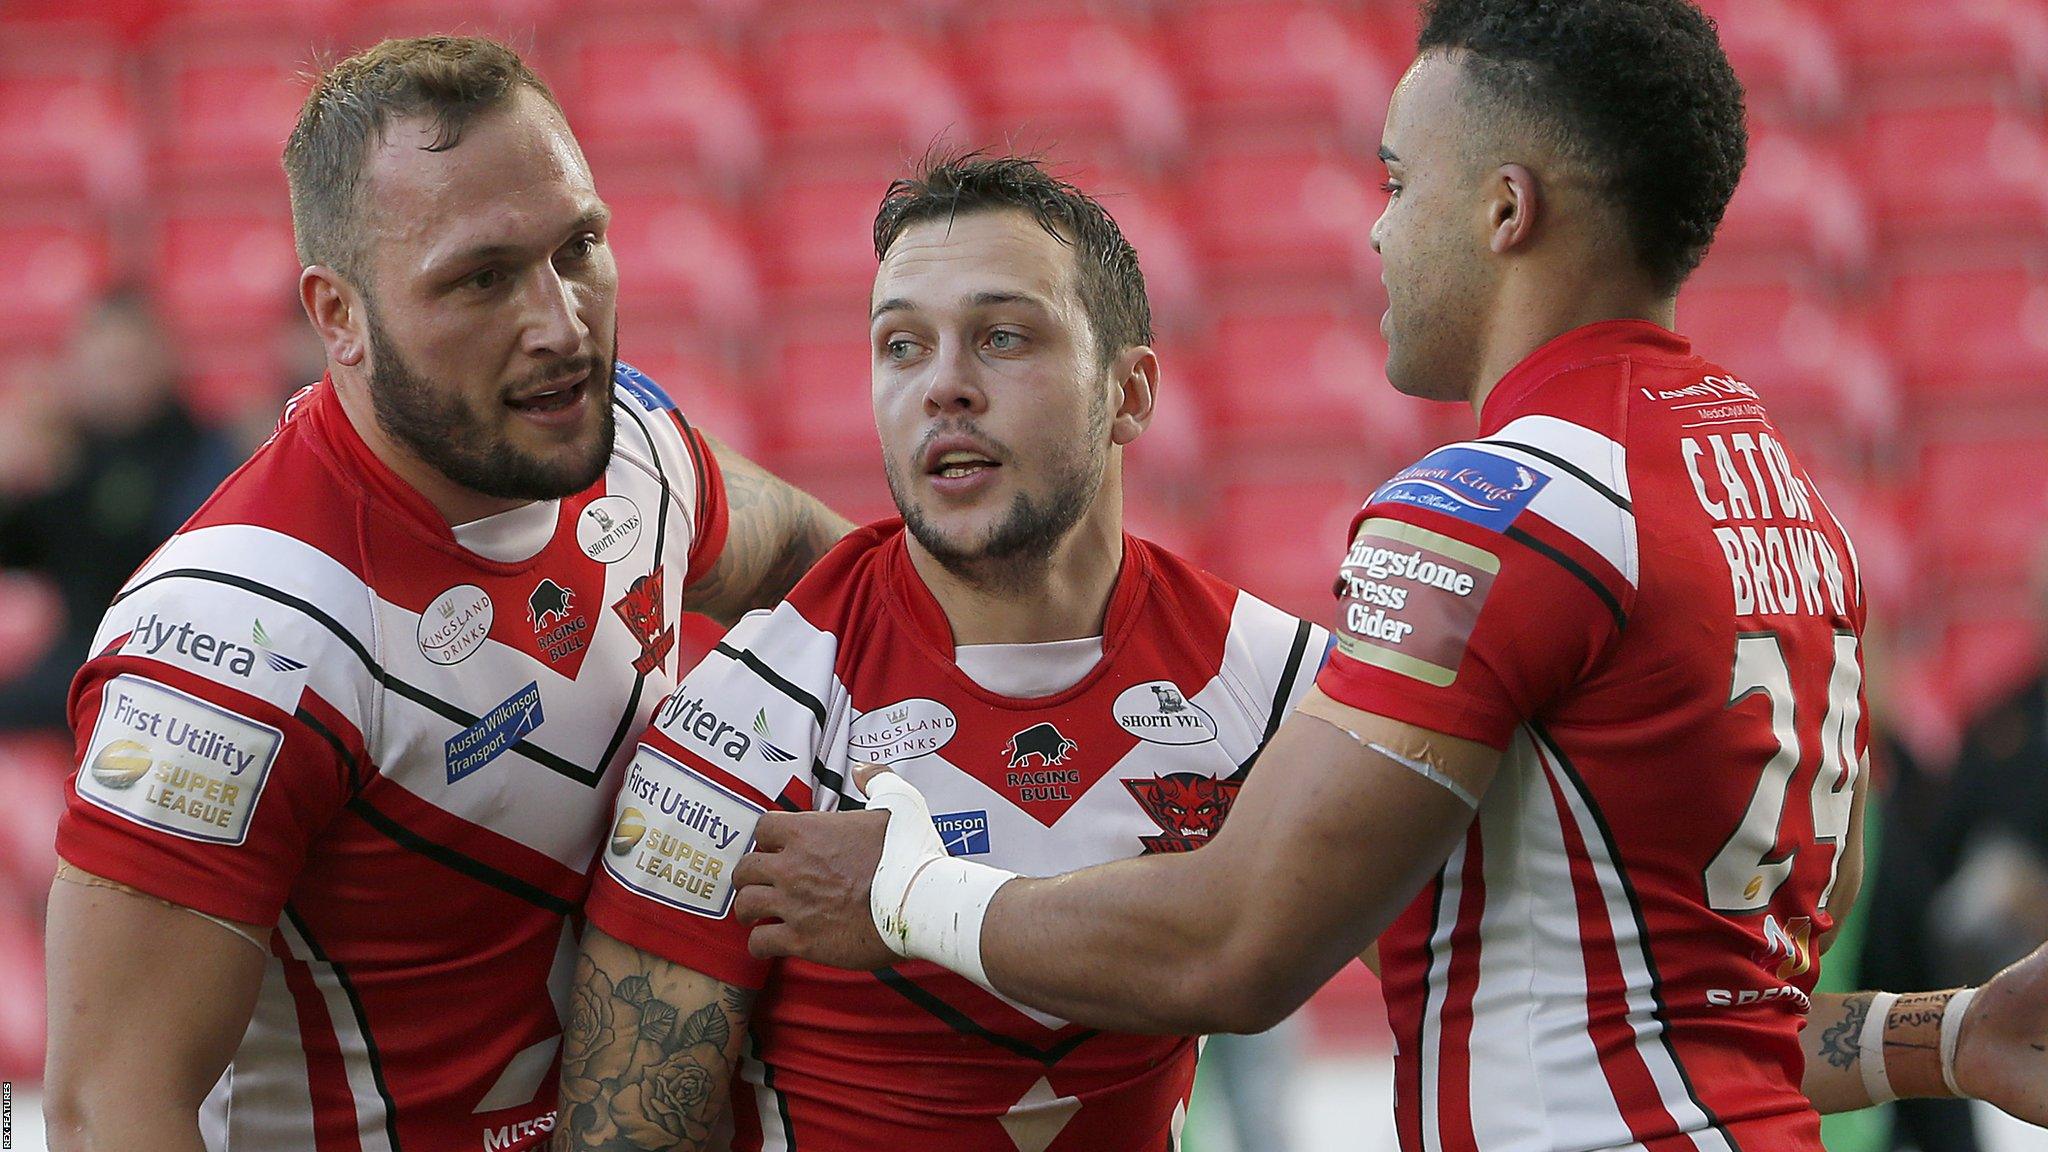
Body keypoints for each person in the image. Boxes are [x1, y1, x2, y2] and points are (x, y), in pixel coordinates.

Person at [725, 1, 2048, 1148]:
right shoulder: (1788, 501)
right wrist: (1952, 1033)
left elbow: (1234, 947)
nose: (1376, 237)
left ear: (1505, 209)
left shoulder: (1500, 506)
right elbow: (1698, 1019)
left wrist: (899, 890)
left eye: (1397, 183)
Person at [41, 36, 848, 1152]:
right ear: (339, 318)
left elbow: (836, 572)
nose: (561, 324)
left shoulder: (633, 448)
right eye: (481, 278)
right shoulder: (232, 639)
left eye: (579, 248)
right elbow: (107, 1113)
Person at [558, 154, 1327, 1152]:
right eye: (901, 346)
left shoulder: (1267, 685)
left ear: (1128, 392)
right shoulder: (739, 728)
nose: (944, 387)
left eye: (1002, 337)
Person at [0, 287, 240, 731]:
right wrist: (14, 487)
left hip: (164, 658)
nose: (117, 379)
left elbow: (170, 560)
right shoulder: (72, 449)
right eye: (104, 363)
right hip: (78, 653)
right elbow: (18, 552)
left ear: (164, 358)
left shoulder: (203, 448)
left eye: (128, 362)